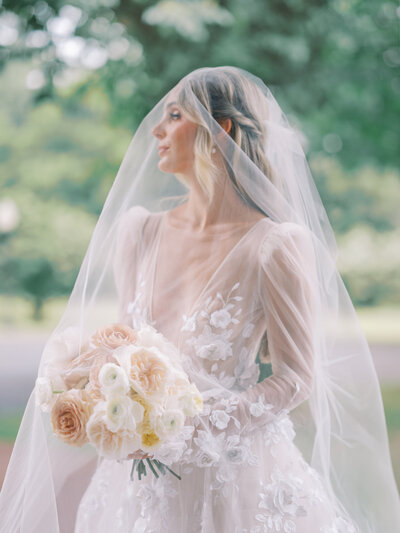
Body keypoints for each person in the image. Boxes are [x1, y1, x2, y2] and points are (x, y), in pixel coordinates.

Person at [1, 66, 399, 532]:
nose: (157, 129)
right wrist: (98, 393)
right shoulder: (139, 233)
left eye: (174, 115)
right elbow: (127, 345)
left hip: (234, 476)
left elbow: (294, 378)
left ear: (219, 130)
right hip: (138, 483)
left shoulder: (274, 245)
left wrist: (189, 429)